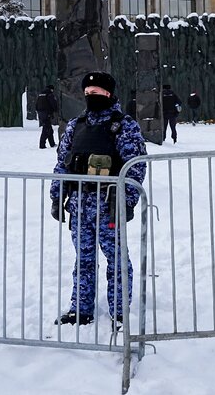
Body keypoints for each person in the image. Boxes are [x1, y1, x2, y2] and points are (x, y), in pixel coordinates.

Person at [49, 71, 147, 326]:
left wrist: (127, 201)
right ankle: (80, 309)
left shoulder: (124, 125)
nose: (92, 96)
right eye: (88, 93)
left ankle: (119, 311)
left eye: (97, 92)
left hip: (109, 206)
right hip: (80, 206)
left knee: (116, 260)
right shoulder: (76, 125)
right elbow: (63, 163)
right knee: (84, 260)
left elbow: (135, 167)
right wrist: (57, 196)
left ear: (109, 93)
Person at [35, 84, 59, 149]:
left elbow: (36, 104)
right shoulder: (50, 95)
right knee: (46, 129)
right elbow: (53, 103)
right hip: (47, 113)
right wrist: (56, 110)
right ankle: (42, 144)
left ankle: (52, 144)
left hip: (41, 113)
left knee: (49, 129)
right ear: (51, 89)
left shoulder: (41, 94)